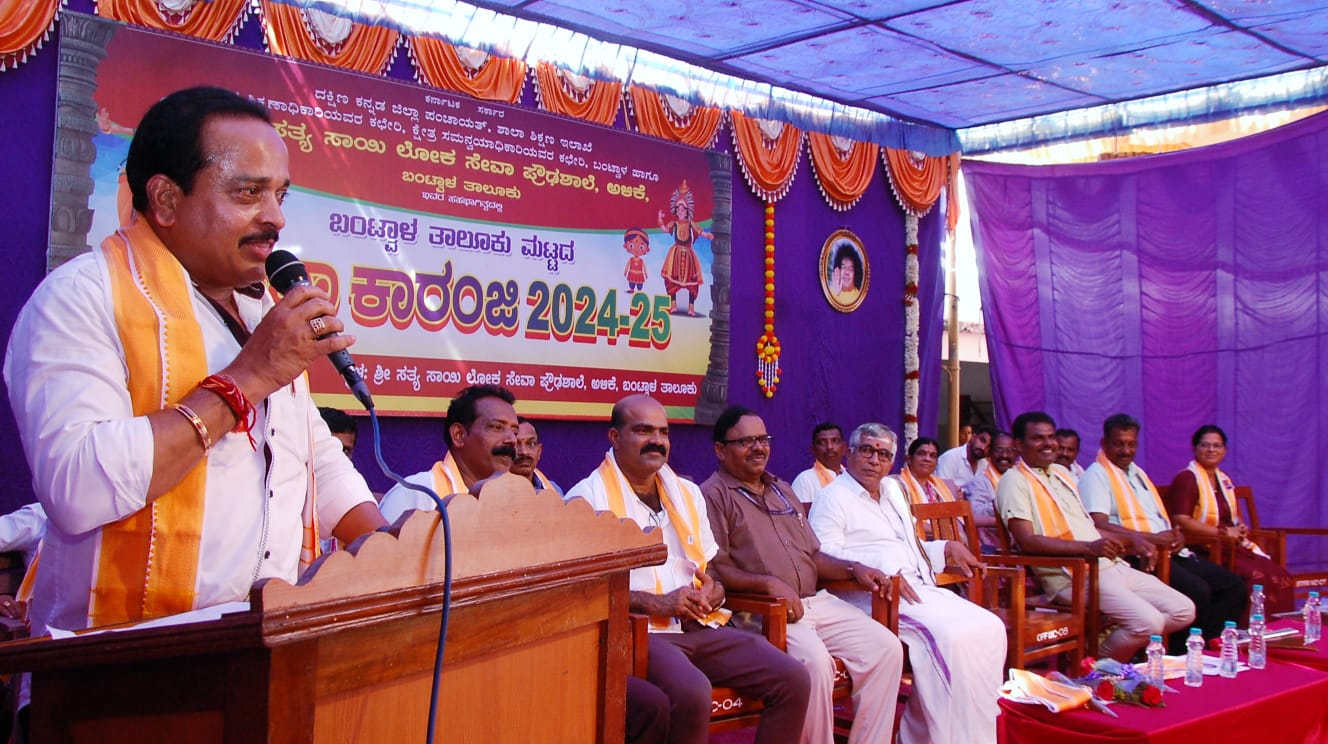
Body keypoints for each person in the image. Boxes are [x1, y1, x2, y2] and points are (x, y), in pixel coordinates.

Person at [2, 86, 384, 638]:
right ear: (165, 200)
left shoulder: (262, 311)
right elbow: (76, 487)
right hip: (122, 658)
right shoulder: (81, 298)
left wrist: (392, 555)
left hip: (263, 646)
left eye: (280, 195)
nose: (275, 218)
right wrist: (247, 379)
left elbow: (311, 459)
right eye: (249, 192)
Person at [564, 395, 810, 744]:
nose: (657, 441)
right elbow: (579, 594)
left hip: (698, 625)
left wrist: (714, 591)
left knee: (793, 678)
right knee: (692, 692)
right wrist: (657, 603)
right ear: (615, 437)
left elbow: (712, 573)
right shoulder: (586, 500)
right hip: (638, 633)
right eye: (644, 431)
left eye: (663, 432)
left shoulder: (687, 493)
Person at [700, 406, 902, 744]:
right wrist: (767, 584)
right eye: (746, 441)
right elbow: (713, 568)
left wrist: (854, 568)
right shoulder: (712, 495)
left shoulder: (781, 488)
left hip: (815, 602)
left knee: (886, 648)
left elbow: (813, 555)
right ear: (721, 450)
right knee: (815, 664)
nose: (759, 447)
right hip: (761, 613)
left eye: (763, 439)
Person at [811, 422, 1005, 744]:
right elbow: (822, 555)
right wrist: (880, 568)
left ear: (892, 461)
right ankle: (942, 737)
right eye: (867, 450)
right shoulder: (833, 497)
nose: (874, 460)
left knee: (990, 627)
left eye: (883, 454)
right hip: (874, 598)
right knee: (951, 638)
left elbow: (909, 547)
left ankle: (960, 734)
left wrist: (946, 547)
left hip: (917, 589)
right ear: (851, 452)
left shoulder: (893, 491)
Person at [996, 412, 1194, 662]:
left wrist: (1134, 542)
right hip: (1073, 576)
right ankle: (1098, 668)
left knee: (1184, 610)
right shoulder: (1013, 480)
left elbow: (1088, 527)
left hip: (1108, 566)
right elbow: (1027, 541)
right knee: (1148, 622)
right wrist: (1089, 548)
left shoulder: (1060, 473)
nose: (1048, 444)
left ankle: (1101, 648)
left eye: (1051, 437)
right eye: (1038, 438)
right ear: (1018, 444)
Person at [1080, 414, 1246, 652]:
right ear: (1104, 443)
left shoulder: (1137, 473)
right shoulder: (1096, 475)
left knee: (1232, 585)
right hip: (1134, 554)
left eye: (1131, 444)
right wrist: (1154, 539)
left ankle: (1209, 648)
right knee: (1197, 590)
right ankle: (1179, 654)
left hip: (1167, 550)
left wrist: (1176, 536)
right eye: (1119, 444)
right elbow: (1099, 525)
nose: (1126, 451)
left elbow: (1157, 520)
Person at [1166, 424, 1294, 616]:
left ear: (1224, 450)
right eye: (1205, 445)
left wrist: (1240, 527)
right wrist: (1224, 532)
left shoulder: (1223, 480)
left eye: (1216, 446)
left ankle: (1276, 629)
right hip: (1204, 548)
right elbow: (1181, 520)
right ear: (1195, 448)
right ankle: (1248, 628)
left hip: (1230, 546)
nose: (1211, 450)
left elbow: (1229, 515)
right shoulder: (1187, 478)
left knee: (1279, 575)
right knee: (1256, 577)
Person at [379, 384, 518, 522]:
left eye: (515, 431)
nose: (512, 440)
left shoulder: (516, 502)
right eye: (497, 427)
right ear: (459, 435)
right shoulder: (416, 495)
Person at [658, 180, 711, 317]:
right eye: (678, 209)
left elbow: (699, 231)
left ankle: (691, 307)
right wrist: (660, 219)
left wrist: (707, 235)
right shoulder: (674, 223)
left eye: (683, 209)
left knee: (692, 282)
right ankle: (673, 305)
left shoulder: (691, 223)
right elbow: (664, 229)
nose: (680, 211)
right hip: (675, 254)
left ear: (687, 211)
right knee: (670, 279)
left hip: (688, 255)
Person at [962, 431, 1015, 551]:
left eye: (1010, 451)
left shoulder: (1020, 478)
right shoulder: (980, 481)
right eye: (999, 450)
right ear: (990, 452)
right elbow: (974, 511)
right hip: (991, 546)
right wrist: (1003, 503)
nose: (1004, 455)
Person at [790, 423, 845, 505]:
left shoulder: (853, 477)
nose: (829, 447)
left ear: (844, 447)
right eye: (822, 442)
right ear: (813, 449)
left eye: (835, 441)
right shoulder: (805, 480)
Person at [895, 437, 959, 505]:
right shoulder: (898, 485)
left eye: (932, 455)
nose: (927, 459)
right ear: (909, 459)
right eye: (921, 454)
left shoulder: (940, 487)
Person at [510, 416, 563, 496]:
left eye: (531, 444)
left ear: (539, 451)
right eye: (516, 444)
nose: (524, 452)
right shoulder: (493, 492)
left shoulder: (554, 490)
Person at [936, 424, 995, 490]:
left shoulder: (984, 465)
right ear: (973, 437)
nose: (983, 447)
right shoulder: (951, 458)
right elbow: (941, 489)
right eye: (982, 441)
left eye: (988, 447)